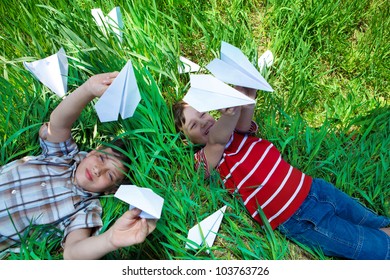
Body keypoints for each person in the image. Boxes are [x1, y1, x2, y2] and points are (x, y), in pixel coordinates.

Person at [172, 85, 390, 260]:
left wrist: (246, 90)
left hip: (314, 187)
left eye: (202, 114)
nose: (203, 123)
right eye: (193, 125)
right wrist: (229, 116)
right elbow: (216, 140)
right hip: (297, 217)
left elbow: (246, 109)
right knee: (368, 247)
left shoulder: (235, 132)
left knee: (370, 220)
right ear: (186, 139)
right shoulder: (207, 156)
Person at [0, 72, 157, 259]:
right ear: (92, 151)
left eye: (110, 176)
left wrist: (111, 239)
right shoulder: (63, 157)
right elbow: (58, 123)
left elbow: (73, 253)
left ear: (110, 190)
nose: (99, 170)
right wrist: (88, 89)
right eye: (101, 158)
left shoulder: (85, 208)